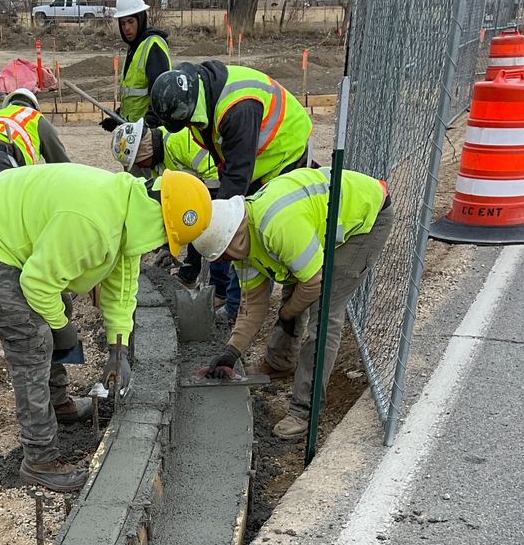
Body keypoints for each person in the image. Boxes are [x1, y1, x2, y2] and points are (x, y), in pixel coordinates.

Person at [0, 165, 212, 492]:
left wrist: (119, 350)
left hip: (9, 235)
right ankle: (40, 459)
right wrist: (61, 328)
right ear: (159, 222)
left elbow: (121, 287)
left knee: (58, 311)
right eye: (165, 239)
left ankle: (57, 404)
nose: (158, 246)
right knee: (32, 341)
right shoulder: (96, 224)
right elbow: (38, 281)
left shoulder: (128, 214)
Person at [192, 167, 393, 440]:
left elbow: (313, 281)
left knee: (324, 312)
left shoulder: (277, 226)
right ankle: (280, 363)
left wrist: (288, 313)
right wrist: (230, 353)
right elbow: (253, 306)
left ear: (231, 242)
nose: (224, 263)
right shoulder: (243, 245)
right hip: (320, 220)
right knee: (293, 288)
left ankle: (304, 410)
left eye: (223, 257)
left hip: (364, 218)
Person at [151, 61, 314, 320]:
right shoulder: (197, 93)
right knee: (232, 227)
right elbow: (225, 161)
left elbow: (237, 177)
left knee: (248, 232)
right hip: (253, 157)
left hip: (283, 152)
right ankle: (229, 297)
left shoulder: (236, 109)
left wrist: (216, 228)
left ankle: (242, 310)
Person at [111, 118, 236, 311]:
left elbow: (213, 172)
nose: (140, 167)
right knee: (193, 229)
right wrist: (166, 246)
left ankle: (220, 292)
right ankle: (189, 275)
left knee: (215, 240)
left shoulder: (178, 141)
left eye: (138, 162)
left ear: (144, 150)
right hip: (197, 193)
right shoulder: (155, 162)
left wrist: (209, 210)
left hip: (220, 187)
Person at [101, 0, 171, 133]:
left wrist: (149, 125)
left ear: (141, 18)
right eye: (123, 23)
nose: (127, 28)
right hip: (133, 131)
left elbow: (161, 95)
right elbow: (135, 98)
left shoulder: (153, 47)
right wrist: (117, 118)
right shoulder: (135, 48)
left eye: (131, 22)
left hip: (149, 134)